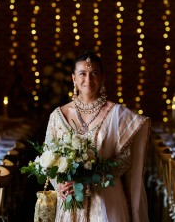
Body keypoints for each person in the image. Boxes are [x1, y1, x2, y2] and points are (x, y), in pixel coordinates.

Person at [44, 50, 150, 222]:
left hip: (106, 200)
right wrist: (61, 184)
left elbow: (124, 160)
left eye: (94, 73)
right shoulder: (58, 115)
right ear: (74, 79)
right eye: (82, 74)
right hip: (70, 204)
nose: (88, 79)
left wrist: (93, 180)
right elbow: (49, 158)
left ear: (102, 78)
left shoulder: (117, 114)